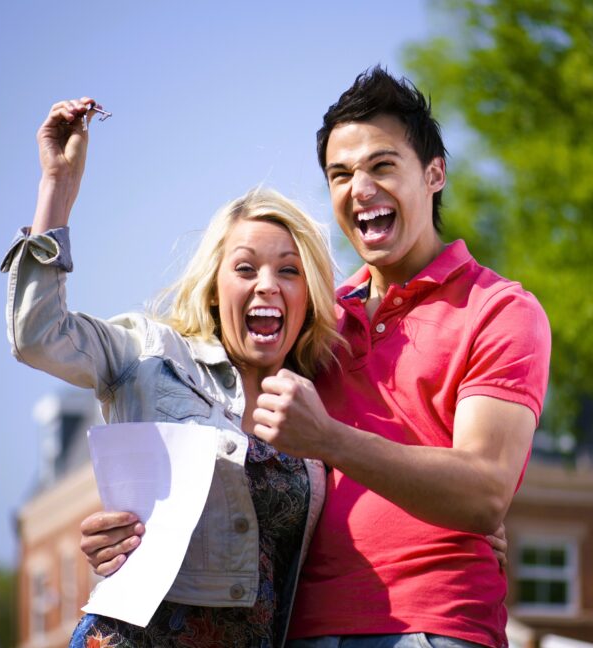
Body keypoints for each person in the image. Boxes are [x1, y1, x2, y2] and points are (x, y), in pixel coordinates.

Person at [85, 66, 549, 648]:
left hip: (429, 626)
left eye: (382, 165)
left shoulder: (499, 309)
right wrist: (129, 522)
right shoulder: (315, 321)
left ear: (434, 175)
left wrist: (330, 439)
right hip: (295, 631)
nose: (360, 188)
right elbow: (215, 430)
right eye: (340, 174)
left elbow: (482, 493)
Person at [2, 98, 343, 646]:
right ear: (214, 286)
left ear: (310, 296)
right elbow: (37, 336)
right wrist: (57, 189)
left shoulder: (321, 405)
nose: (267, 285)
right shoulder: (149, 353)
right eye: (246, 267)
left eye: (289, 270)